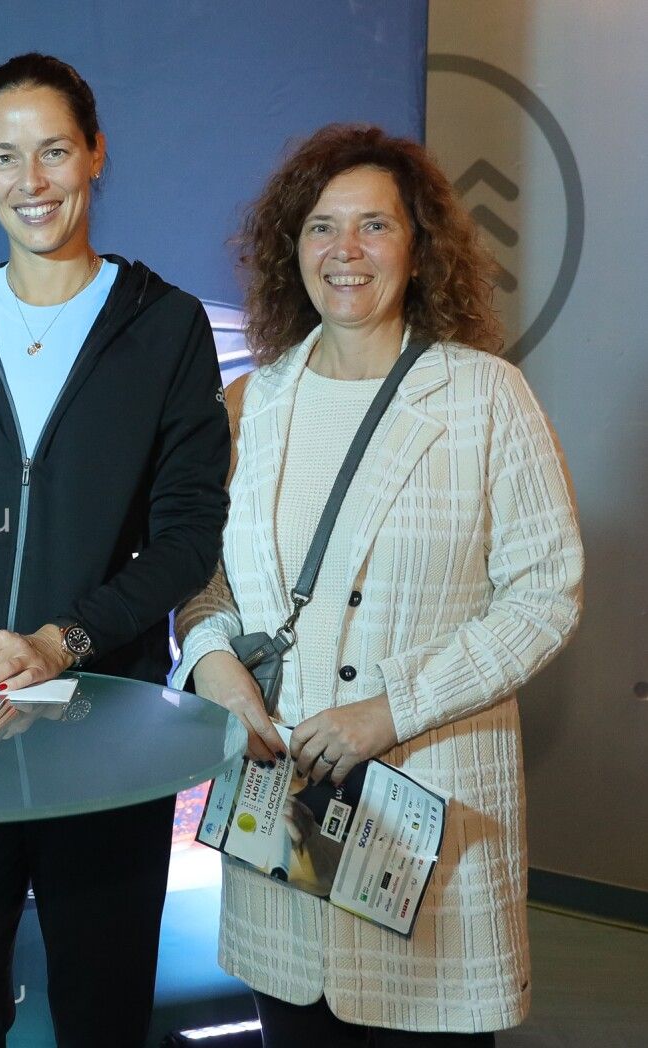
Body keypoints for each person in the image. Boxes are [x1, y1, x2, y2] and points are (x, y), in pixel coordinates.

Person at [173, 124, 583, 1045]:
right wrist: (215, 667)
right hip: (281, 813)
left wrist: (391, 710)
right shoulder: (248, 404)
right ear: (292, 248)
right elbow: (203, 580)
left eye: (375, 225)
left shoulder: (485, 396)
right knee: (297, 1023)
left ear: (419, 247)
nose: (345, 251)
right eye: (322, 226)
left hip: (426, 807)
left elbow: (546, 594)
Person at [0, 53, 231, 1047]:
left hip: (105, 727)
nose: (30, 181)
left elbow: (188, 534)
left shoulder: (165, 326)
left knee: (102, 1010)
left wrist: (62, 639)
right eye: (5, 156)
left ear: (96, 155)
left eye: (55, 151)